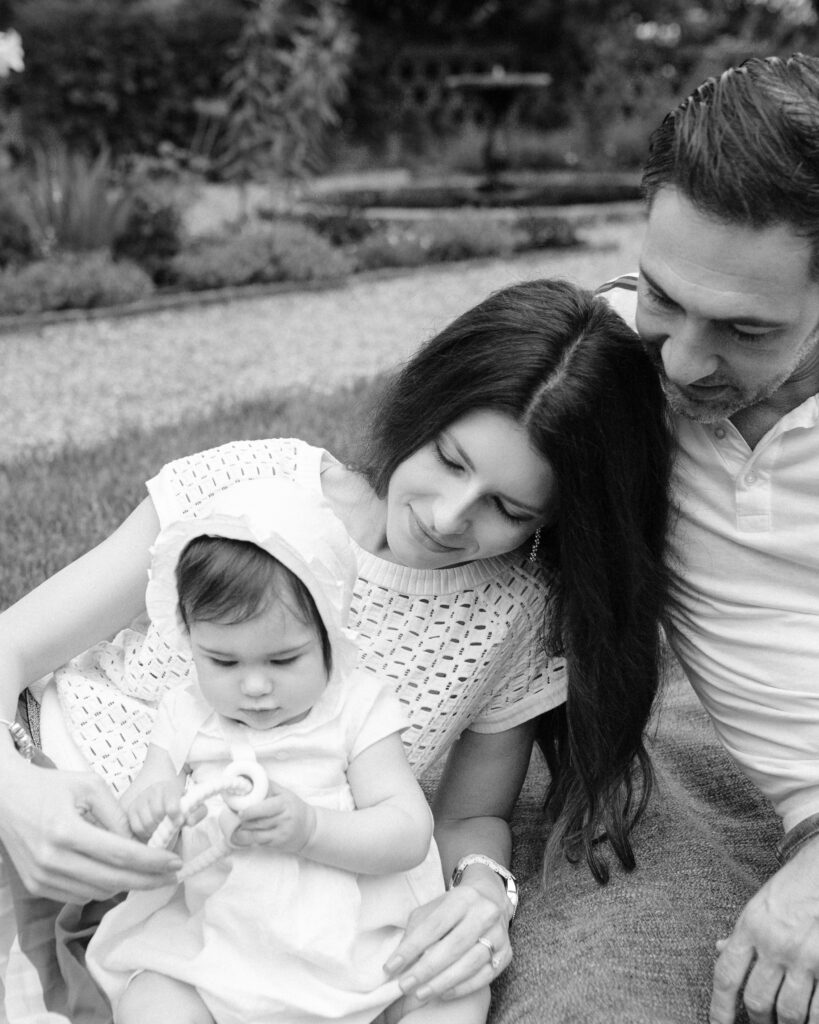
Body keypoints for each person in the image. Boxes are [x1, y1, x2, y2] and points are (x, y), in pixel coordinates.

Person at [0, 276, 674, 1020]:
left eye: (507, 509)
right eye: (450, 461)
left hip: (243, 907)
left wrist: (484, 890)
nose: (448, 517)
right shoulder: (253, 489)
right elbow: (13, 645)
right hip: (43, 787)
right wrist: (17, 792)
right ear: (426, 403)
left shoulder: (513, 615)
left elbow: (465, 819)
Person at [589, 52, 819, 1024]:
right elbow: (363, 518)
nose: (683, 361)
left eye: (745, 330)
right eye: (664, 296)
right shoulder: (599, 368)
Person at [86, 476, 484, 1024]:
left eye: (283, 660)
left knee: (455, 991)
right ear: (190, 639)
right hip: (219, 952)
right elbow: (133, 831)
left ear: (329, 636)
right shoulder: (186, 714)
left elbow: (408, 831)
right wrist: (153, 817)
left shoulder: (355, 708)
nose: (253, 686)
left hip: (363, 953)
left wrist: (312, 830)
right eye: (223, 662)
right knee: (151, 1002)